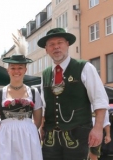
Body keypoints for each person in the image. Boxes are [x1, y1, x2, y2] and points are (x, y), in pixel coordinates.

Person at [38, 28, 109, 160]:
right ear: (46, 49)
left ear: (68, 44)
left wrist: (98, 128)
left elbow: (100, 100)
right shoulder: (45, 73)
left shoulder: (84, 67)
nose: (56, 47)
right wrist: (42, 128)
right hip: (51, 138)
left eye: (60, 42)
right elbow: (45, 103)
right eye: (51, 44)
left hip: (78, 134)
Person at [0, 31, 43, 160]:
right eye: (12, 68)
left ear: (25, 70)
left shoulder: (34, 93)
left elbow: (38, 120)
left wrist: (26, 129)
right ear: (8, 70)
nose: (16, 71)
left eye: (20, 68)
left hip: (28, 137)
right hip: (5, 138)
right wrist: (7, 130)